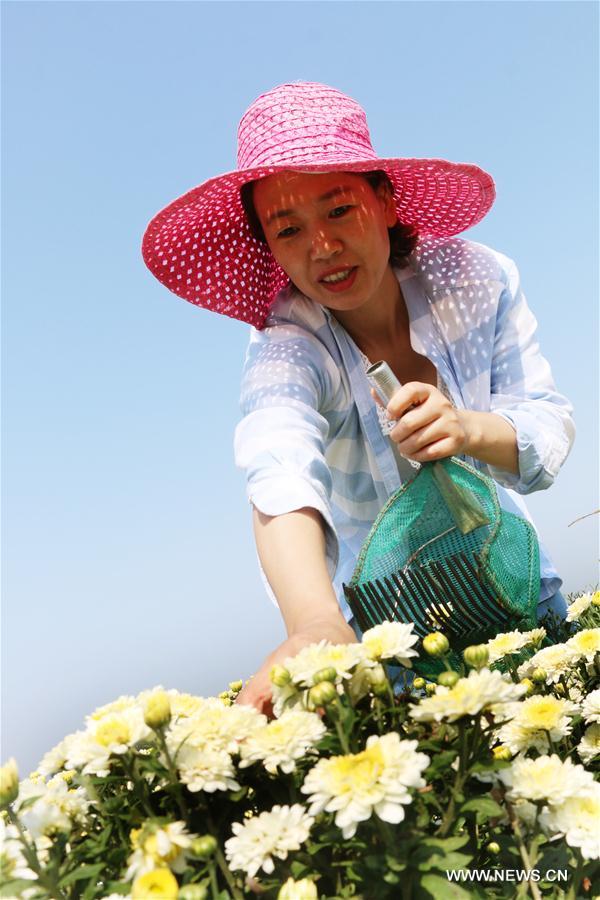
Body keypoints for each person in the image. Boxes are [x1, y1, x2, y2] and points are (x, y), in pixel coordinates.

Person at [142, 82, 575, 714]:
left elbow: (547, 425)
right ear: (270, 247)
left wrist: (468, 428)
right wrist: (315, 624)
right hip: (383, 635)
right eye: (288, 229)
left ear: (387, 200)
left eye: (339, 210)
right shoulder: (288, 344)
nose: (321, 246)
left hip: (514, 585)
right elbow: (279, 466)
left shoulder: (478, 281)